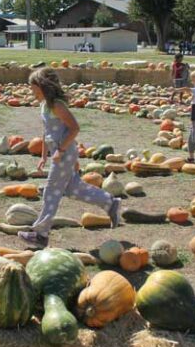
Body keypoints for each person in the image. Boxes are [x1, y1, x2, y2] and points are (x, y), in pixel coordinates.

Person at [17, 68, 121, 247]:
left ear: (44, 87)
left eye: (34, 89)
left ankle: (41, 234)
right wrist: (43, 155)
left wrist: (61, 151)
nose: (32, 92)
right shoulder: (44, 106)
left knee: (51, 191)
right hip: (58, 154)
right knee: (74, 189)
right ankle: (110, 203)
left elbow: (74, 128)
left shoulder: (57, 105)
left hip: (64, 153)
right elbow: (46, 132)